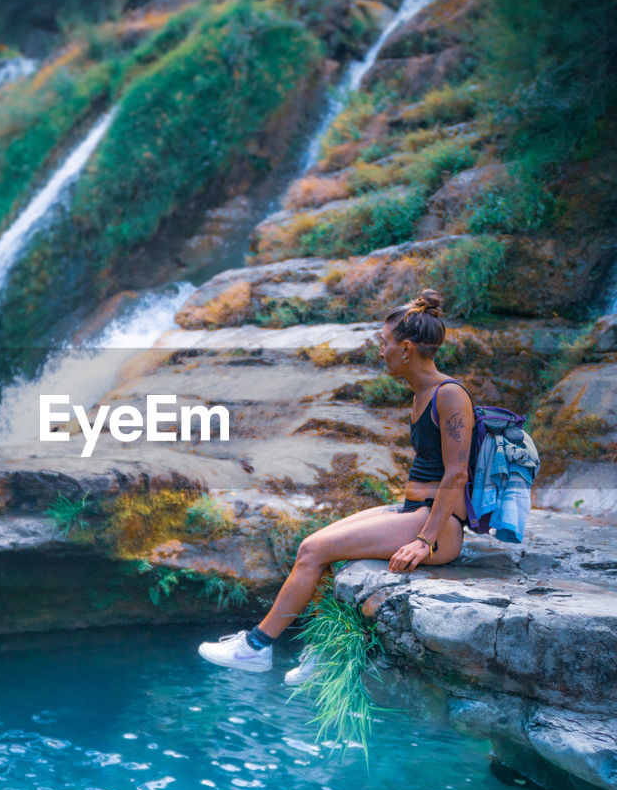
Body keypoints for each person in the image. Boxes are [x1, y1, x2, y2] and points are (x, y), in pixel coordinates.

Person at [198, 289, 475, 681]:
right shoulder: (422, 395)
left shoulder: (449, 395)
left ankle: (255, 647)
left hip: (438, 527)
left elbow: (457, 474)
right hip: (416, 511)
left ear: (407, 349)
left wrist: (424, 540)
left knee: (313, 550)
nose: (382, 352)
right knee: (316, 545)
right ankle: (321, 650)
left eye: (385, 343)